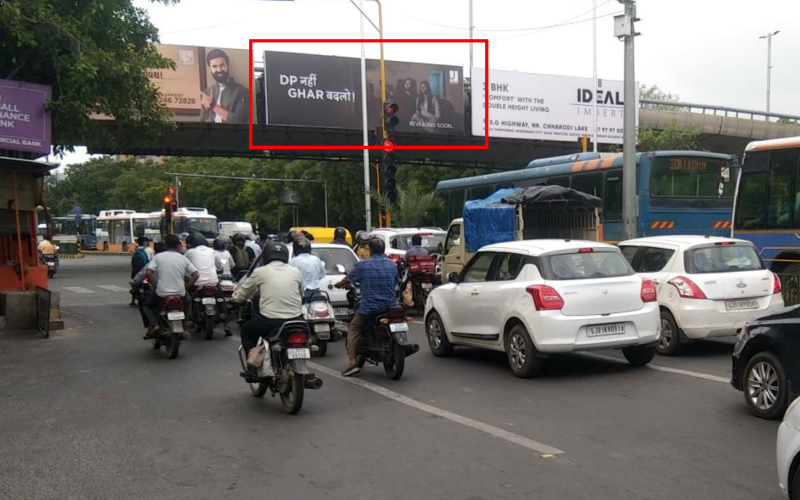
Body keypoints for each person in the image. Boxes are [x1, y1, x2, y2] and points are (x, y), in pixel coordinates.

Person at [233, 242, 304, 368]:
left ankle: (253, 366)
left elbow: (242, 294)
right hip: (296, 319)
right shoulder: (296, 271)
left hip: (270, 320)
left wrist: (235, 298)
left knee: (247, 330)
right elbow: (301, 293)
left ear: (266, 256)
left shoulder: (260, 272)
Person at [335, 238, 398, 377]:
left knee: (353, 328)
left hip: (370, 307)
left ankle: (352, 363)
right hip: (391, 305)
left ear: (370, 250)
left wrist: (339, 284)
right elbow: (395, 281)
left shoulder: (363, 265)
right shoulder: (392, 265)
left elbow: (348, 279)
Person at [142, 235, 199, 339]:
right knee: (188, 302)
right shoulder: (183, 259)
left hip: (162, 293)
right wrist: (186, 286)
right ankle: (184, 326)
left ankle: (155, 325)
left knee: (147, 306)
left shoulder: (158, 257)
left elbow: (149, 273)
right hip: (180, 293)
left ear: (165, 245)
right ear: (178, 246)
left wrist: (155, 286)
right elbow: (196, 275)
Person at [199, 48, 248, 124]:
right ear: (210, 69)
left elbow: (240, 121)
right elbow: (202, 121)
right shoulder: (207, 92)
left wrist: (213, 105)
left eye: (222, 65)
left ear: (227, 65)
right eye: (214, 66)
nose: (219, 70)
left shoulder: (242, 91)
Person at [130, 237, 152, 305]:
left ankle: (133, 300)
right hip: (146, 271)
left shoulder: (135, 251)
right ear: (145, 242)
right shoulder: (149, 250)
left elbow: (132, 261)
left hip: (136, 271)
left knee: (134, 283)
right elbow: (153, 261)